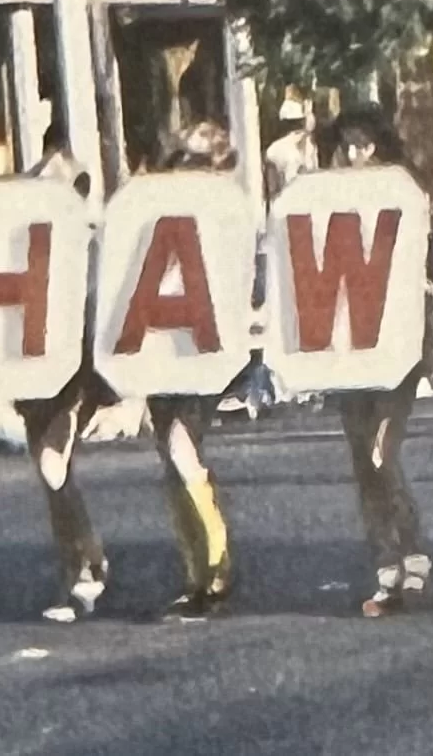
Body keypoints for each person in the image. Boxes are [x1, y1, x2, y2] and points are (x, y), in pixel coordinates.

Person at [323, 108, 433, 617]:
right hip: (345, 346)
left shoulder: (405, 197)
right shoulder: (322, 203)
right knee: (360, 462)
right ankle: (386, 567)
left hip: (397, 347)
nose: (353, 154)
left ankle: (413, 552)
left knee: (380, 456)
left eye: (364, 144)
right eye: (346, 145)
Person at [147, 132, 240, 620]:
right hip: (156, 349)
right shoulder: (149, 220)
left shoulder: (226, 220)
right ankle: (196, 576)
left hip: (201, 353)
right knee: (172, 461)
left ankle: (217, 570)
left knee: (182, 453)